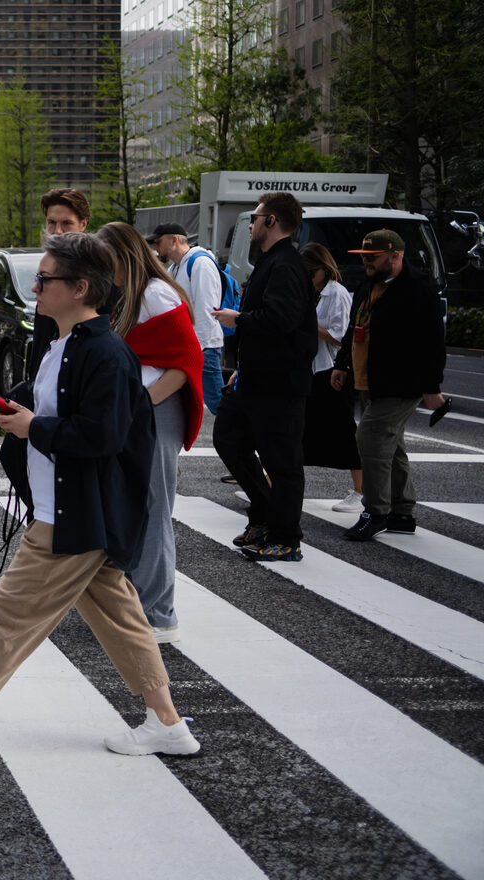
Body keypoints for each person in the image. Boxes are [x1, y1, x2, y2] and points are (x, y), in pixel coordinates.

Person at [0, 232, 199, 756]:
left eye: (44, 279)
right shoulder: (64, 344)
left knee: (13, 608)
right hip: (73, 502)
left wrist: (34, 428)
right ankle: (166, 723)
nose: (34, 287)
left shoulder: (105, 354)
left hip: (76, 508)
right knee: (121, 617)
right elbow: (52, 405)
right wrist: (19, 409)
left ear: (80, 288)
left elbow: (103, 436)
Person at [98, 222, 204, 644]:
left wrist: (142, 404)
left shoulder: (155, 295)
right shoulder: (141, 294)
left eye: (108, 263)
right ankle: (143, 607)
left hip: (155, 412)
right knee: (142, 506)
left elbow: (186, 360)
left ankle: (159, 615)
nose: (106, 273)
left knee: (154, 509)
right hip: (148, 410)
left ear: (124, 256)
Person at [212, 192, 317, 562]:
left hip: (280, 383)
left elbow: (281, 320)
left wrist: (236, 318)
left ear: (271, 221)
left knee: (283, 462)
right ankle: (264, 514)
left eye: (255, 218)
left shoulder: (286, 265)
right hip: (255, 377)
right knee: (227, 438)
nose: (251, 225)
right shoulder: (272, 261)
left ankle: (287, 537)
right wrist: (243, 364)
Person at [332, 230, 448, 541]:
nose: (366, 263)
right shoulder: (369, 284)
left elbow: (433, 341)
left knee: (369, 440)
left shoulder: (418, 289)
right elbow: (354, 327)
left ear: (395, 255)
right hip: (369, 380)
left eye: (373, 257)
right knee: (391, 447)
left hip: (400, 382)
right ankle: (402, 512)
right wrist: (343, 364)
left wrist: (431, 385)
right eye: (364, 257)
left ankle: (376, 511)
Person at [300, 243, 362, 513]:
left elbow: (341, 337)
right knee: (297, 429)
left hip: (332, 370)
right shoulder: (309, 292)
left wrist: (307, 324)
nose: (308, 278)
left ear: (324, 269)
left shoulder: (336, 293)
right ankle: (270, 482)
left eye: (311, 272)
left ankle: (361, 492)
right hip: (311, 369)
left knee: (344, 432)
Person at [149, 222, 227, 413]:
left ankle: (235, 439)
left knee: (217, 402)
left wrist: (197, 349)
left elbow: (206, 311)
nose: (156, 248)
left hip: (204, 346)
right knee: (192, 403)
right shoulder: (177, 267)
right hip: (192, 347)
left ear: (174, 240)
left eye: (158, 243)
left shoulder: (200, 264)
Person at [24, 188, 94, 380]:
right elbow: (40, 344)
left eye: (66, 223)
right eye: (51, 223)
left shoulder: (98, 274)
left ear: (83, 224)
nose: (58, 232)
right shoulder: (46, 265)